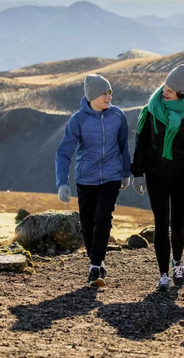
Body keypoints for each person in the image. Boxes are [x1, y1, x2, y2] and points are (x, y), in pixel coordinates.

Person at [131, 64, 184, 291]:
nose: (164, 92)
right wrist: (137, 172)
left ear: (182, 95)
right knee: (160, 223)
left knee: (177, 225)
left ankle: (178, 262)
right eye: (164, 86)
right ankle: (163, 274)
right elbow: (141, 142)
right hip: (155, 173)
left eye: (170, 90)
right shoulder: (152, 108)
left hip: (183, 176)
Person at [55, 74, 131, 287]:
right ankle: (95, 261)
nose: (109, 97)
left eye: (110, 93)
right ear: (92, 96)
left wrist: (126, 173)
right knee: (87, 224)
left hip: (111, 176)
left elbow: (123, 146)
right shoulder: (78, 120)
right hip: (86, 178)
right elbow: (64, 153)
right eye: (104, 93)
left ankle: (95, 266)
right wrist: (62, 182)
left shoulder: (118, 116)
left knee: (103, 218)